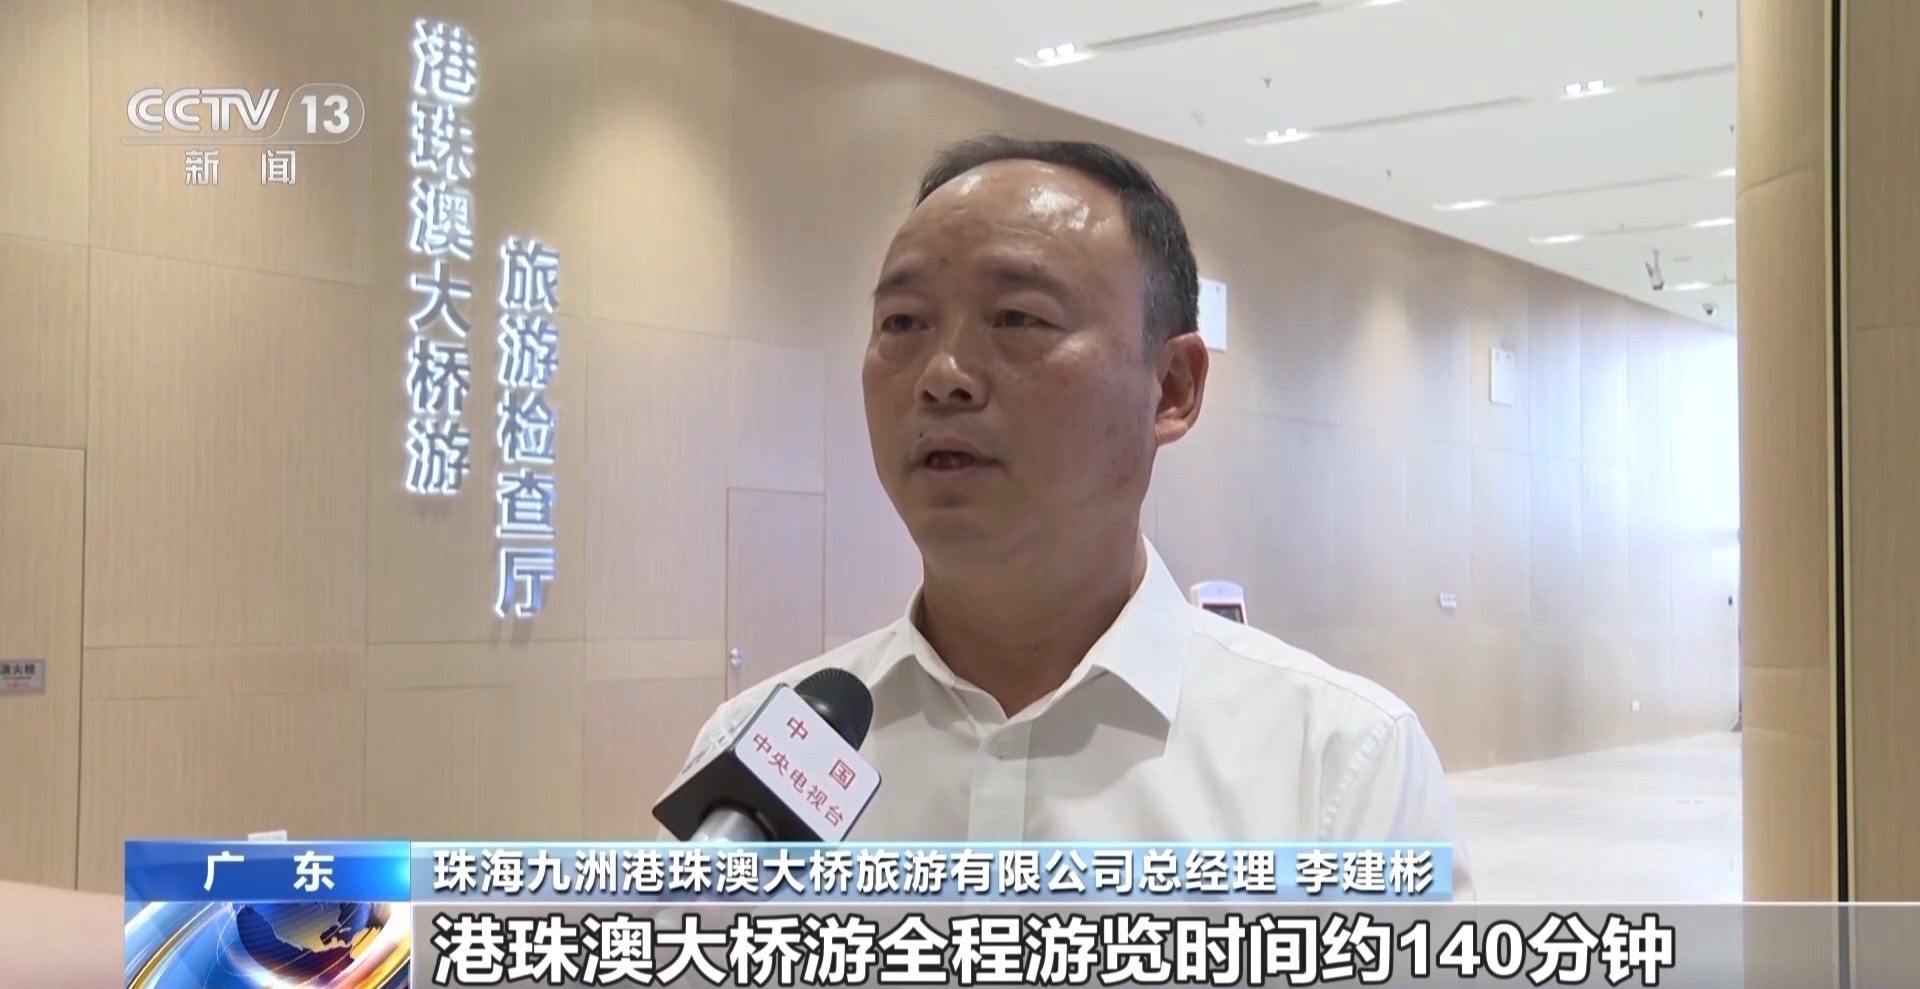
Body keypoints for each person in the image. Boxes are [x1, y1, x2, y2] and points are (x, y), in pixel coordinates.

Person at [672, 135, 1472, 894]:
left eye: (1017, 319)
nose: (941, 375)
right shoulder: (749, 774)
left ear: (1172, 387)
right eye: (903, 323)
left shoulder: (1338, 768)